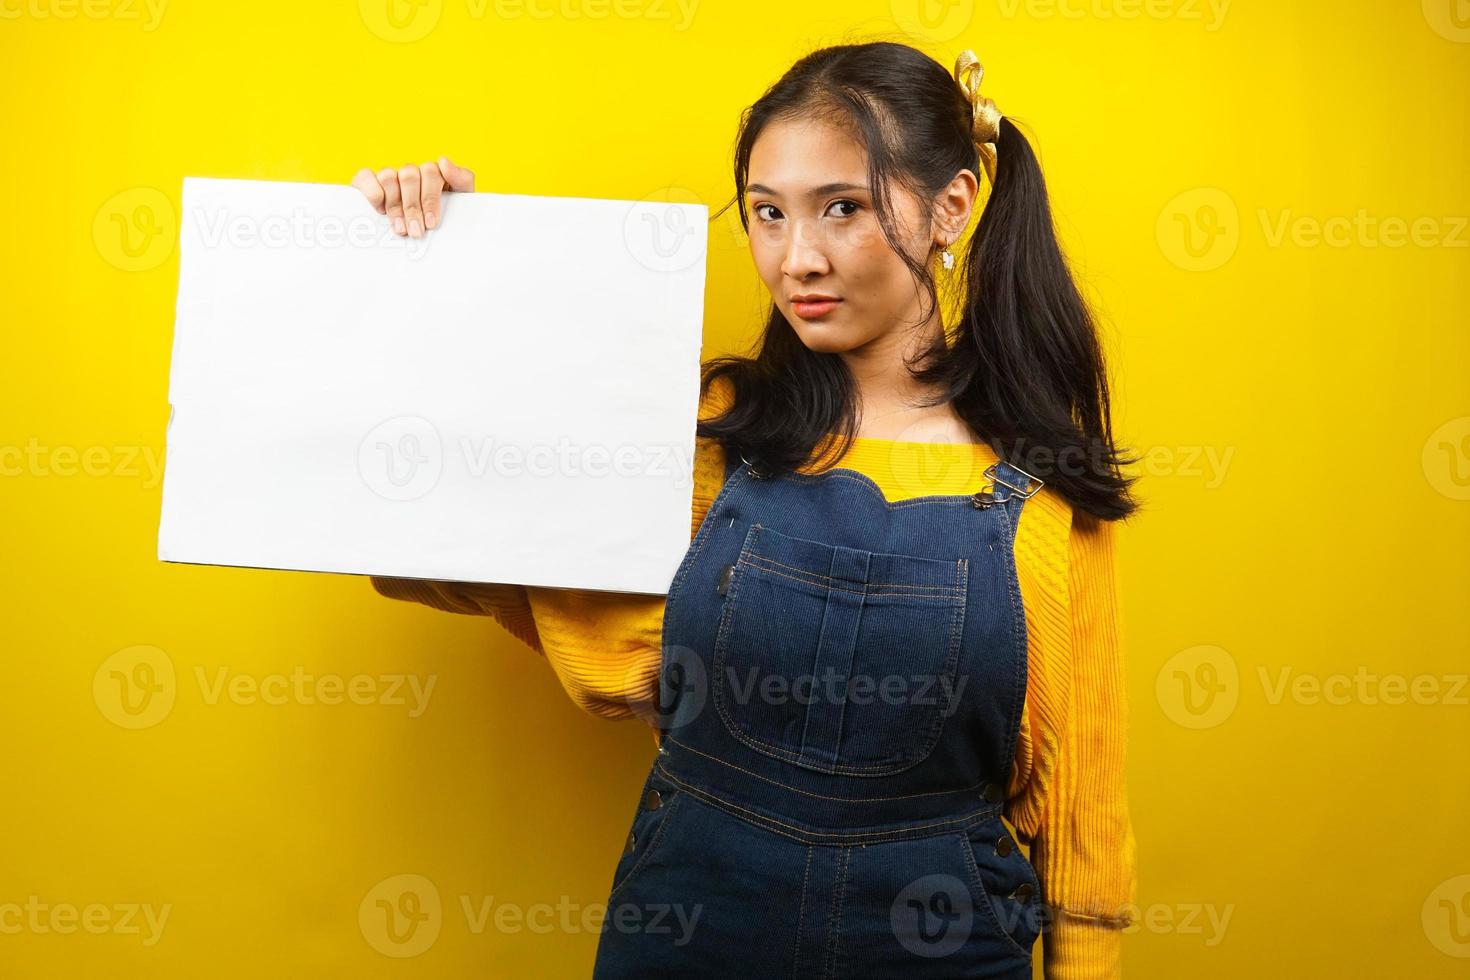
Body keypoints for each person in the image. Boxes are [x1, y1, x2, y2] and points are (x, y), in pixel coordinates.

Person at [360, 40, 1140, 980]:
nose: (795, 258)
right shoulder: (706, 439)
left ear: (953, 206)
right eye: (767, 214)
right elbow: (423, 539)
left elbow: (1083, 827)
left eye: (841, 209)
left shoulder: (1043, 491)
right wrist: (428, 268)